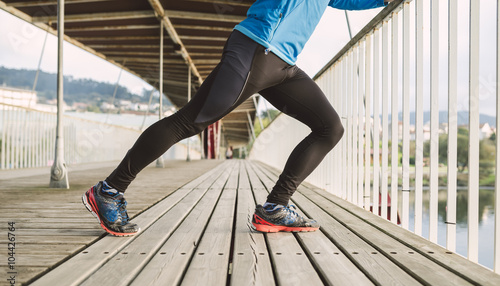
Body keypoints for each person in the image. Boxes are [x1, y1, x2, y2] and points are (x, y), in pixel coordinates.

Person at [82, 0, 392, 236]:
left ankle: (275, 207)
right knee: (189, 122)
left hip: (284, 65)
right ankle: (109, 191)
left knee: (330, 128)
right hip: (257, 48)